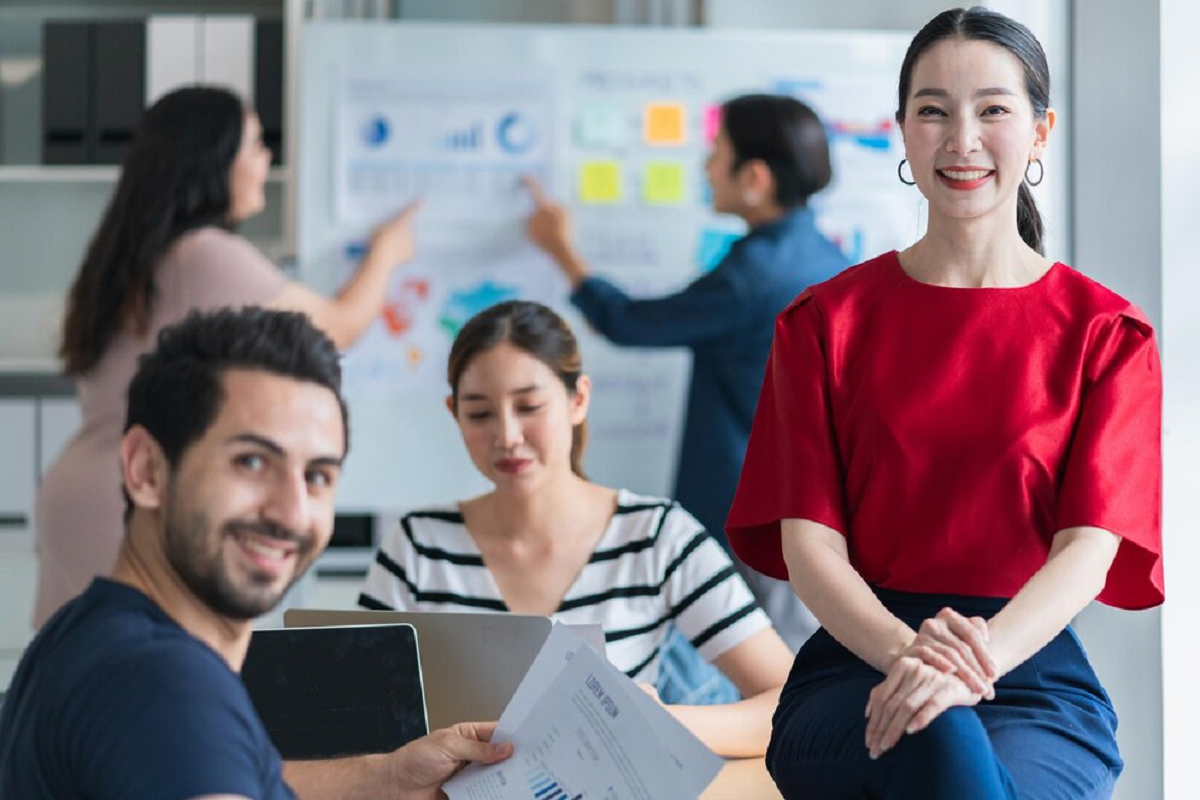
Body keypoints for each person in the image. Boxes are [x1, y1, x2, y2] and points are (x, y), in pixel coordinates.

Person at [726, 8, 1162, 799]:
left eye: (993, 109)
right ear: (902, 130)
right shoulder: (823, 324)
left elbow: (1089, 550)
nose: (961, 140)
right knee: (940, 727)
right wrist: (912, 659)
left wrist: (971, 665)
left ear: (1039, 131)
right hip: (855, 667)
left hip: (1030, 679)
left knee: (956, 740)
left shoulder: (1107, 333)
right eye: (933, 111)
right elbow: (810, 550)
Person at [0, 307, 512, 799]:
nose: (291, 511)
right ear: (146, 471)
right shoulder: (166, 688)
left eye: (316, 476)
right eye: (251, 461)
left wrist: (388, 780)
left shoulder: (93, 630)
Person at [35, 85, 421, 626]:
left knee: (81, 682)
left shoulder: (122, 260)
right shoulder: (206, 254)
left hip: (79, 495)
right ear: (215, 161)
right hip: (137, 504)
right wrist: (387, 252)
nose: (266, 161)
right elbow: (335, 330)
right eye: (257, 144)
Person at [358, 300, 793, 757]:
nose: (506, 435)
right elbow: (352, 709)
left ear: (578, 399)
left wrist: (659, 722)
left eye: (529, 406)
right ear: (454, 413)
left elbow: (787, 701)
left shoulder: (657, 536)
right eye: (480, 414)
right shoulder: (417, 547)